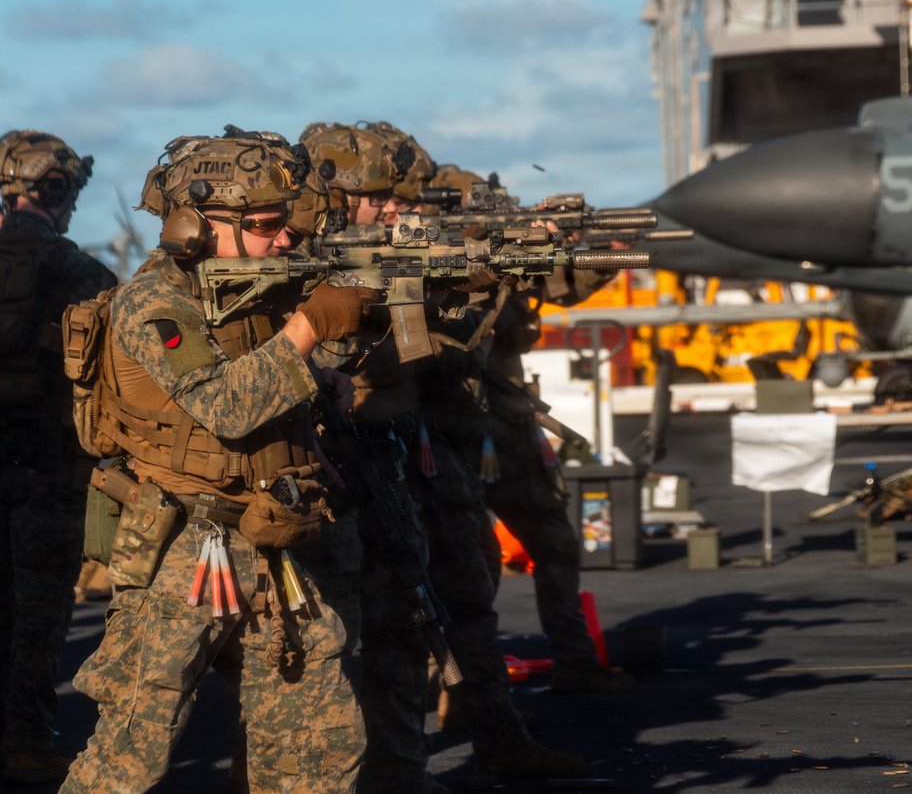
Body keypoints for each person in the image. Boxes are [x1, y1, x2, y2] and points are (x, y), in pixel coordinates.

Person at [61, 131, 376, 793]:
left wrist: (320, 368)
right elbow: (226, 406)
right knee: (134, 744)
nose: (284, 239)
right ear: (193, 224)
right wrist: (308, 329)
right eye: (264, 226)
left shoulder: (246, 297)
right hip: (187, 543)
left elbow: (266, 375)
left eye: (285, 223)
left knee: (316, 736)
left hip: (269, 536)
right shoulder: (153, 304)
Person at [300, 122, 588, 784]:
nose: (394, 208)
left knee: (466, 579)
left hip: (414, 444)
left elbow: (436, 326)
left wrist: (485, 264)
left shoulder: (389, 248)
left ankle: (495, 736)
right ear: (336, 192)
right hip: (349, 458)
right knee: (373, 624)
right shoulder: (305, 261)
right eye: (378, 198)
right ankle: (383, 763)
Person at [424, 165, 634, 694]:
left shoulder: (506, 258)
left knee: (555, 542)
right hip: (454, 427)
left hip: (510, 422)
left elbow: (562, 285)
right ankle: (448, 674)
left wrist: (598, 248)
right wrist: (494, 262)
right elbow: (461, 327)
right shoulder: (433, 263)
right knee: (472, 562)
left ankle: (574, 660)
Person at [0, 130, 117, 786]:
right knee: (43, 612)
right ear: (55, 190)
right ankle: (27, 738)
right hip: (48, 465)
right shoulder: (78, 270)